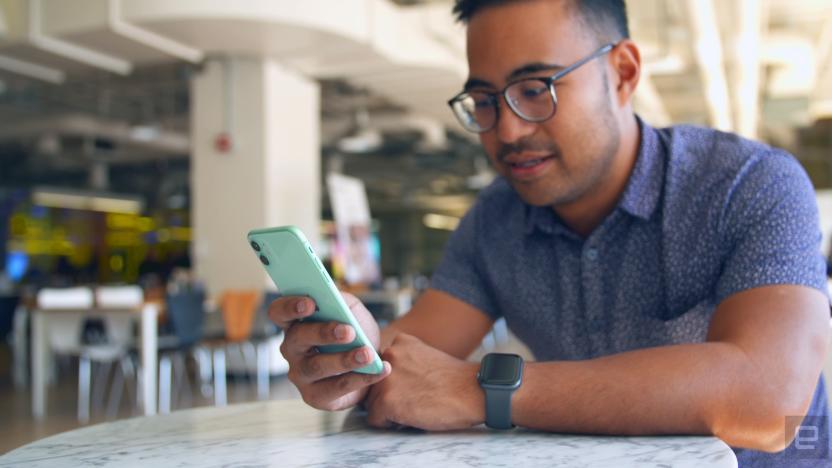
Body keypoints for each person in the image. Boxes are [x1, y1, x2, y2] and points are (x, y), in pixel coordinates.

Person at [269, 0, 830, 465]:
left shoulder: (748, 184)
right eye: (485, 101)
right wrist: (354, 358)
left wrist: (482, 390)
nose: (507, 130)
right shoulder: (496, 219)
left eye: (536, 88)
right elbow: (410, 370)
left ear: (623, 73)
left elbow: (769, 399)